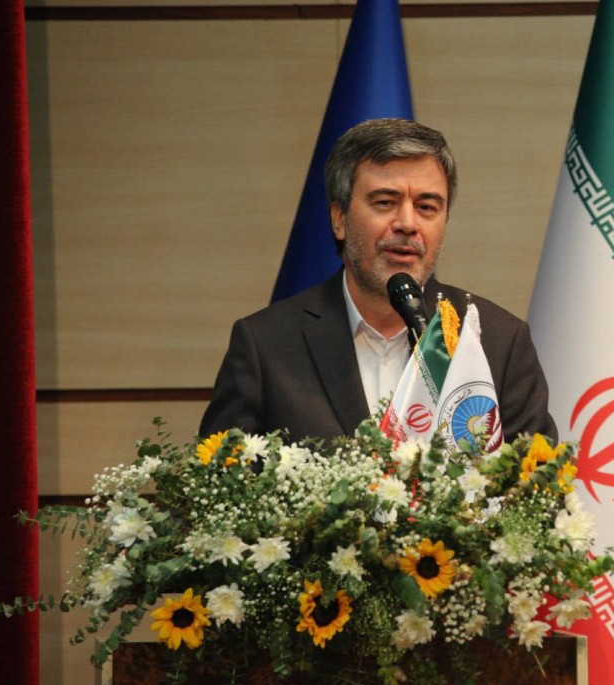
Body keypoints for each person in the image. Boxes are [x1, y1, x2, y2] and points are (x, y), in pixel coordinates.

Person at [200, 118, 556, 443]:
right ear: (339, 219)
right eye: (385, 202)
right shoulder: (266, 346)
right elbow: (221, 483)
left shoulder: (499, 342)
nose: (407, 224)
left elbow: (537, 485)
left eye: (427, 207)